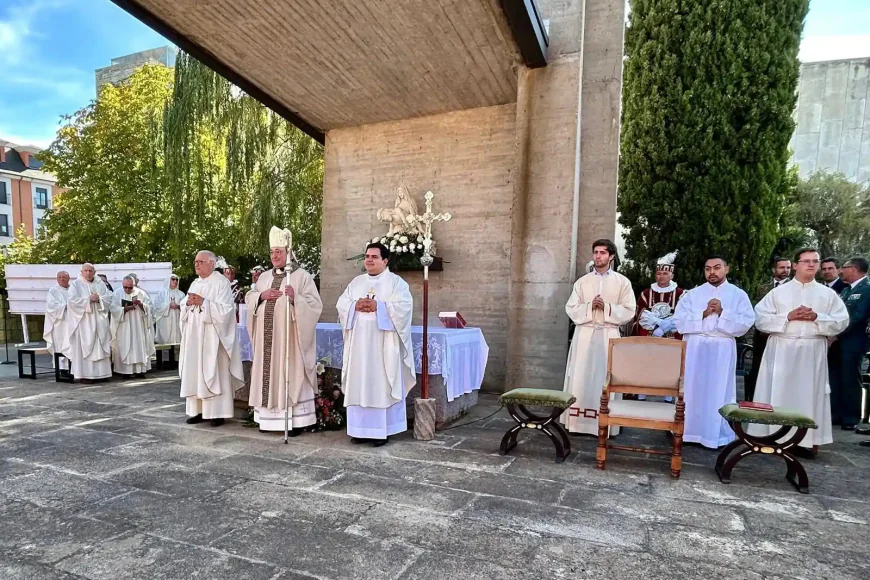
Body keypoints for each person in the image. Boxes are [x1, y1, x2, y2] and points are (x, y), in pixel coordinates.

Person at [751, 249, 848, 450]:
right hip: (782, 348)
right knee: (777, 392)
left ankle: (807, 440)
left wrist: (816, 318)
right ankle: (771, 435)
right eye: (806, 261)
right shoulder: (778, 292)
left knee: (809, 394)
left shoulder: (828, 294)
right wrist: (788, 316)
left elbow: (842, 321)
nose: (811, 265)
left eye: (815, 261)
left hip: (812, 351)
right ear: (795, 265)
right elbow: (760, 319)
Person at [336, 242, 415, 446]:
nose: (369, 260)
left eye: (374, 257)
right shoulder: (356, 282)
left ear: (385, 260)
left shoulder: (396, 283)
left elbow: (404, 308)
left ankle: (381, 431)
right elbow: (342, 304)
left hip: (383, 345)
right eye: (367, 256)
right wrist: (355, 306)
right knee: (359, 381)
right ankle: (359, 430)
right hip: (359, 345)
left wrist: (378, 307)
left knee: (379, 383)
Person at [246, 227, 322, 434]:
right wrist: (261, 296)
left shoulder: (302, 276)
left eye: (278, 251)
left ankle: (295, 421)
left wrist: (295, 298)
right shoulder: (263, 278)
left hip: (289, 341)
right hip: (266, 341)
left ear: (288, 252)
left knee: (289, 371)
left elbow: (315, 305)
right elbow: (250, 297)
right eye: (272, 252)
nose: (274, 256)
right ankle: (268, 421)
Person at [673, 256, 754, 449]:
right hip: (695, 347)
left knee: (719, 390)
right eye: (708, 268)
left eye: (717, 268)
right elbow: (678, 320)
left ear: (727, 269)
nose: (712, 272)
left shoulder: (738, 294)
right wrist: (703, 313)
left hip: (721, 348)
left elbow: (746, 322)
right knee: (692, 388)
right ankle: (688, 431)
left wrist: (723, 311)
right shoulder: (693, 294)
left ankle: (716, 435)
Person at [562, 239, 636, 436]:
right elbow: (570, 307)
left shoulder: (622, 282)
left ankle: (607, 422)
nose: (598, 256)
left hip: (609, 334)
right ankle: (578, 422)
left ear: (611, 256)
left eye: (603, 253)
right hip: (584, 334)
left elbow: (630, 310)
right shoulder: (582, 282)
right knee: (581, 376)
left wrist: (607, 308)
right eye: (596, 252)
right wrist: (589, 307)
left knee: (605, 377)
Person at [179, 250, 245, 427]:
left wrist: (204, 303)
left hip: (213, 338)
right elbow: (184, 306)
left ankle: (217, 413)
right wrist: (187, 303)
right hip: (195, 335)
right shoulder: (194, 282)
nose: (197, 264)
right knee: (195, 371)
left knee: (214, 372)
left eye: (201, 261)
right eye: (195, 262)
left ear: (212, 263)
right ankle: (197, 410)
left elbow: (226, 311)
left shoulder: (221, 283)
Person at [829, 257, 870, 431]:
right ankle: (837, 413)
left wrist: (837, 333)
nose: (840, 271)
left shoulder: (867, 289)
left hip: (854, 341)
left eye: (843, 268)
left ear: (853, 268)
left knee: (850, 379)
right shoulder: (846, 290)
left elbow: (858, 317)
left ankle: (851, 416)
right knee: (836, 377)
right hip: (839, 341)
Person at [744, 257, 792, 402]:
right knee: (758, 368)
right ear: (774, 269)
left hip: (783, 333)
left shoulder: (793, 288)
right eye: (781, 267)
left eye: (788, 268)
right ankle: (755, 399)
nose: (785, 270)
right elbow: (758, 311)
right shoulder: (763, 288)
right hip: (762, 336)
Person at [66, 263, 113, 381]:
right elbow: (72, 301)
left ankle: (103, 374)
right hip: (84, 323)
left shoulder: (100, 283)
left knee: (100, 344)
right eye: (85, 271)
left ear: (94, 272)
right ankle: (85, 375)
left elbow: (109, 297)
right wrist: (88, 300)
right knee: (85, 347)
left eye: (90, 271)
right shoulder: (76, 285)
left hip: (99, 321)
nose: (88, 273)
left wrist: (100, 299)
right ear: (81, 272)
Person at [109, 275, 154, 378]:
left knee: (138, 345)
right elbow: (113, 308)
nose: (127, 290)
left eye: (130, 287)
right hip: (124, 325)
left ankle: (140, 371)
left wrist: (142, 305)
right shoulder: (117, 293)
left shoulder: (141, 293)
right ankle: (125, 371)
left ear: (134, 285)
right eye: (125, 287)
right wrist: (124, 309)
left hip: (138, 326)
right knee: (125, 345)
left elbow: (150, 307)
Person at [633, 251, 683, 338]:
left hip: (673, 335)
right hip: (650, 334)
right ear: (655, 276)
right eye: (659, 273)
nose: (661, 276)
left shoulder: (681, 294)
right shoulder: (646, 294)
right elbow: (641, 314)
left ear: (672, 276)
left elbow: (682, 315)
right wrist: (657, 325)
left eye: (665, 273)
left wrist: (666, 326)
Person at [43, 270, 71, 370]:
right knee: (60, 345)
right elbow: (51, 306)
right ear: (57, 279)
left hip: (73, 322)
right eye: (59, 277)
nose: (62, 279)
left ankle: (73, 368)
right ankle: (62, 369)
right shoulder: (53, 291)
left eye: (64, 277)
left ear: (69, 279)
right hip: (60, 323)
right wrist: (66, 307)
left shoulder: (73, 289)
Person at [155, 274, 186, 344]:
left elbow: (186, 307)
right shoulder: (161, 293)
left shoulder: (181, 294)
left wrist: (178, 306)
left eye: (176, 279)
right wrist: (168, 305)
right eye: (173, 279)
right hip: (165, 321)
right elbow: (157, 306)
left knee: (177, 342)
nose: (175, 281)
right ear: (168, 280)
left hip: (177, 320)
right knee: (165, 344)